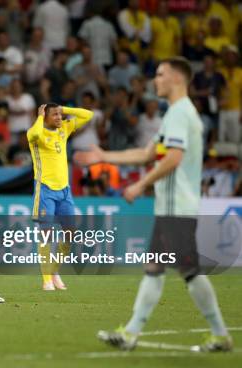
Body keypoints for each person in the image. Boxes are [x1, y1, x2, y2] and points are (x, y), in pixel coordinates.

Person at [75, 57, 233, 352]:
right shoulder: (177, 113)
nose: (155, 80)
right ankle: (135, 334)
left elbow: (173, 158)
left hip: (177, 207)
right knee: (161, 268)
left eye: (160, 74)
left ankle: (216, 334)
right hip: (172, 208)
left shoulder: (180, 113)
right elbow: (148, 153)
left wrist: (140, 184)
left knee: (185, 271)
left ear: (176, 78)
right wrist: (105, 156)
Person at [27, 102, 93, 291]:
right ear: (45, 117)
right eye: (54, 115)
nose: (59, 118)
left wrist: (65, 109)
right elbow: (34, 134)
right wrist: (40, 117)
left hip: (65, 191)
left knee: (70, 233)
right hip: (45, 190)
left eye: (60, 114)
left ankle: (54, 271)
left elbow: (88, 114)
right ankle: (46, 279)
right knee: (46, 234)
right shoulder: (36, 133)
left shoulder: (64, 128)